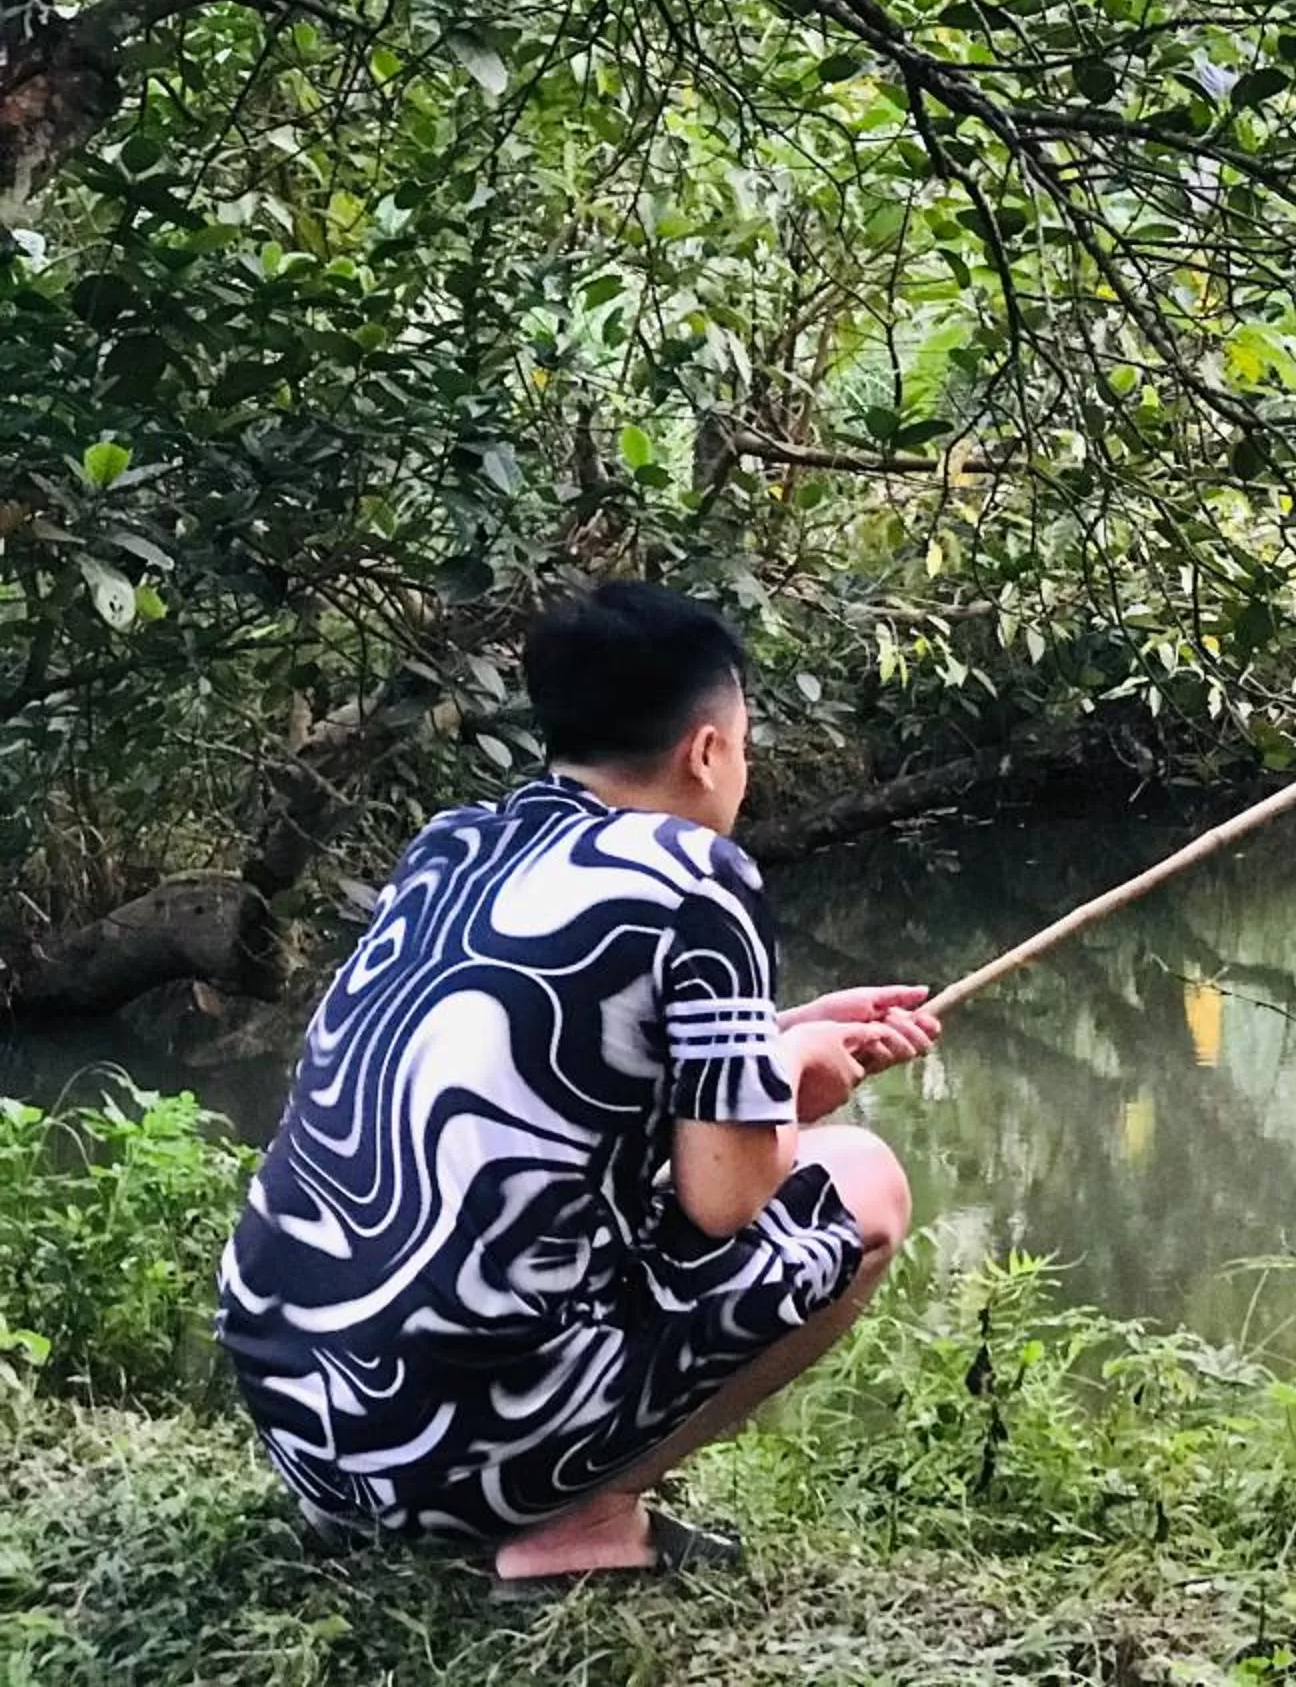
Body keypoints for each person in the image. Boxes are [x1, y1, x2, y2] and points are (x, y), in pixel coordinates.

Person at [217, 580, 941, 1587]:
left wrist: (768, 1041)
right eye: (742, 739)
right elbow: (726, 1196)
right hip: (440, 1455)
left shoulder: (452, 847)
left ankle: (429, 1493)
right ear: (705, 749)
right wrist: (785, 1082)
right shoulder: (699, 875)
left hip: (309, 1424)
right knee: (865, 1179)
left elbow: (558, 1077)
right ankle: (584, 1519)